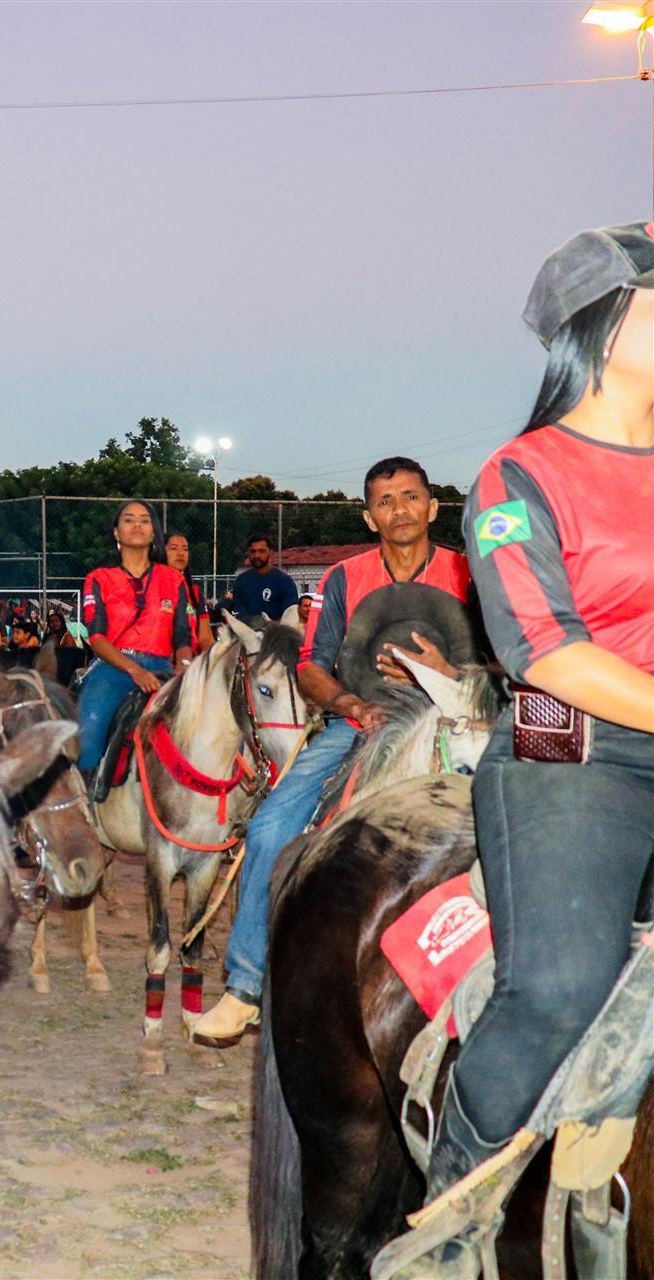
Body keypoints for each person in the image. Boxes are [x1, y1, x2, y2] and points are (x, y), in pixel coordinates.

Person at [408, 223, 654, 1228]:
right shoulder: (519, 477)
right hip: (574, 746)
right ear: (602, 324)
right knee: (558, 985)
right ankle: (449, 1213)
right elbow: (543, 651)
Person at [191, 455, 470, 1046]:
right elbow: (312, 666)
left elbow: (508, 658)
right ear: (369, 517)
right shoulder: (344, 578)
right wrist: (349, 704)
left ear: (432, 508)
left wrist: (449, 673)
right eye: (385, 501)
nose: (399, 510)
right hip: (361, 722)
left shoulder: (469, 574)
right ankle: (246, 985)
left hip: (456, 717)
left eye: (410, 497)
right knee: (271, 826)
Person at [75, 500, 194, 777]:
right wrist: (135, 670)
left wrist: (185, 666)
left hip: (163, 669)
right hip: (113, 669)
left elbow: (182, 636)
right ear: (116, 533)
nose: (137, 525)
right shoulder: (99, 578)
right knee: (88, 732)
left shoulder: (173, 580)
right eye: (128, 520)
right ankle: (86, 792)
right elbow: (97, 638)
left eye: (144, 520)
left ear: (153, 533)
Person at [225, 534, 300, 623]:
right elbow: (237, 610)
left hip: (275, 630)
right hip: (247, 629)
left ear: (270, 553)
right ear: (248, 553)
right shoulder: (241, 581)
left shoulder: (284, 581)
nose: (256, 555)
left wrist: (271, 627)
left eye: (262, 551)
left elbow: (290, 614)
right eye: (253, 551)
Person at [163, 532, 215, 653]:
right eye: (174, 548)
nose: (181, 553)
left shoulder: (195, 593)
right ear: (161, 552)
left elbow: (206, 639)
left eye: (185, 549)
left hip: (190, 661)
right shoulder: (152, 588)